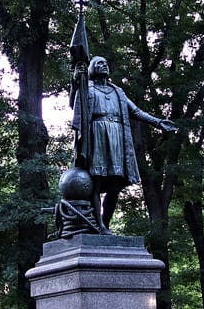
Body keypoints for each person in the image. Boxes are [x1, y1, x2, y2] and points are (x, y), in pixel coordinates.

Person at [72, 56, 177, 230]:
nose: (104, 65)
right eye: (99, 63)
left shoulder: (117, 92)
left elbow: (136, 111)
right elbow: (74, 104)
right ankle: (98, 225)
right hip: (97, 134)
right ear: (91, 69)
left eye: (106, 63)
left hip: (116, 137)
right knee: (96, 182)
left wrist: (158, 122)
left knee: (115, 184)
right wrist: (76, 80)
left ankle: (105, 223)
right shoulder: (87, 90)